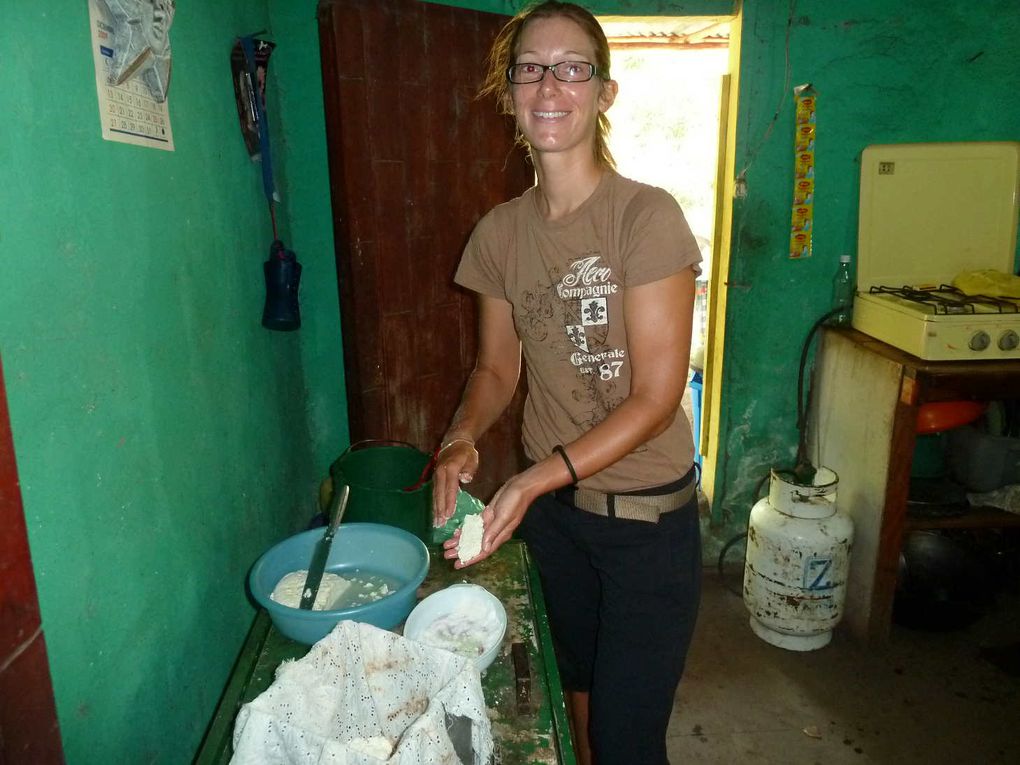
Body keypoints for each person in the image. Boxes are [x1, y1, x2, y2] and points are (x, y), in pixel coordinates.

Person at [431, 3, 702, 763]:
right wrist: (460, 438)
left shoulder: (646, 219)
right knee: (571, 697)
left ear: (604, 91)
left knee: (625, 740)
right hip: (561, 522)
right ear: (510, 91)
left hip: (648, 523)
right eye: (531, 68)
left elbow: (656, 396)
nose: (551, 85)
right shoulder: (498, 233)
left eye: (573, 67)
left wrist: (528, 481)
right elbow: (495, 368)